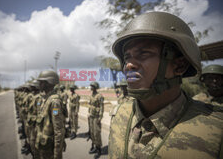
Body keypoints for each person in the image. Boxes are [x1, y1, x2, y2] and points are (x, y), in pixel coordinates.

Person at [108, 11, 223, 158]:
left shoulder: (216, 131)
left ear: (179, 65)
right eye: (127, 57)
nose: (129, 65)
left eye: (143, 53)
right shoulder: (119, 114)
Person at [35, 70, 65, 159]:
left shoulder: (54, 102)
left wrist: (57, 154)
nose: (39, 85)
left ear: (49, 83)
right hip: (44, 146)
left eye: (41, 82)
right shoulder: (47, 99)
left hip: (50, 151)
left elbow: (59, 130)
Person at [88, 82, 104, 158]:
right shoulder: (91, 95)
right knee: (92, 132)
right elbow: (90, 105)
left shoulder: (99, 96)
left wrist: (100, 117)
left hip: (96, 117)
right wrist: (88, 113)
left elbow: (101, 107)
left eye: (92, 86)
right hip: (91, 116)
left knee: (97, 133)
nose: (90, 87)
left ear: (95, 87)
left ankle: (99, 149)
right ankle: (94, 146)